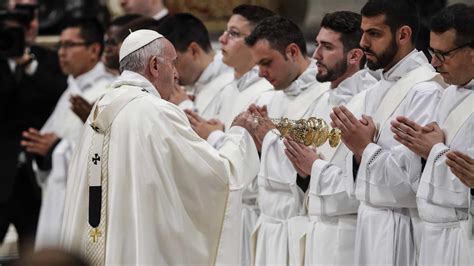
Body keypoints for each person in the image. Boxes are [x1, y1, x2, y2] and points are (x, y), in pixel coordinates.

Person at [59, 29, 266, 265]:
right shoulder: (157, 112)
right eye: (173, 63)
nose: (176, 74)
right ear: (155, 66)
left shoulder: (101, 106)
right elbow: (217, 176)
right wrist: (238, 134)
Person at [329, 0, 446, 265]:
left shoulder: (424, 90)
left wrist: (363, 148)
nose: (363, 43)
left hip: (401, 228)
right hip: (369, 223)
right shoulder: (376, 89)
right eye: (363, 32)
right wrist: (357, 151)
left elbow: (412, 184)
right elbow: (357, 182)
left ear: (403, 35)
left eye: (374, 34)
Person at [281, 11, 378, 265]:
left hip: (349, 235)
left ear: (355, 56)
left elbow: (364, 184)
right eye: (317, 45)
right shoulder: (319, 98)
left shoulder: (369, 103)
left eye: (327, 47)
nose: (316, 55)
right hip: (315, 229)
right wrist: (302, 169)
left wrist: (312, 166)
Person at [390, 4, 473, 265]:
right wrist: (423, 150)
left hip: (464, 237)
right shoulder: (448, 92)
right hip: (432, 234)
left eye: (443, 54)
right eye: (431, 52)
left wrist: (433, 150)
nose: (434, 63)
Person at [21, 18, 114, 249]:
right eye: (59, 46)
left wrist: (54, 148)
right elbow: (50, 140)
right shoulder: (70, 90)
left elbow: (111, 152)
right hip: (57, 194)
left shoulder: (110, 91)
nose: (61, 53)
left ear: (94, 49)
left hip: (87, 204)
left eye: (69, 45)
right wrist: (42, 151)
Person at [0, 0, 67, 255]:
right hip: (2, 171)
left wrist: (29, 65)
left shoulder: (49, 60)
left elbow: (61, 94)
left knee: (38, 249)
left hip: (36, 174)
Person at [185, 5, 274, 149]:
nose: (222, 39)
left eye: (233, 33)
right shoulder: (222, 84)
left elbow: (254, 154)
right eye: (226, 31)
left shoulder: (268, 93)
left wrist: (214, 136)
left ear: (260, 43)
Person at [157, 13, 233, 119]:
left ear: (193, 50)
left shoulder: (232, 78)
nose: (173, 74)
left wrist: (184, 106)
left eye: (173, 62)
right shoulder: (194, 82)